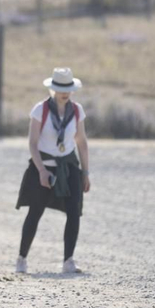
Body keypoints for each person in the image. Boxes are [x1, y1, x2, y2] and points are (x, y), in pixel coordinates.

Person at [15, 68, 91, 275]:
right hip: (44, 166)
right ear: (53, 90)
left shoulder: (77, 111)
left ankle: (68, 260)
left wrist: (85, 172)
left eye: (67, 89)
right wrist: (41, 170)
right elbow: (32, 143)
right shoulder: (40, 110)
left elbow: (81, 142)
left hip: (69, 167)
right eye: (60, 89)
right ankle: (22, 258)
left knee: (74, 212)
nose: (64, 93)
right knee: (35, 212)